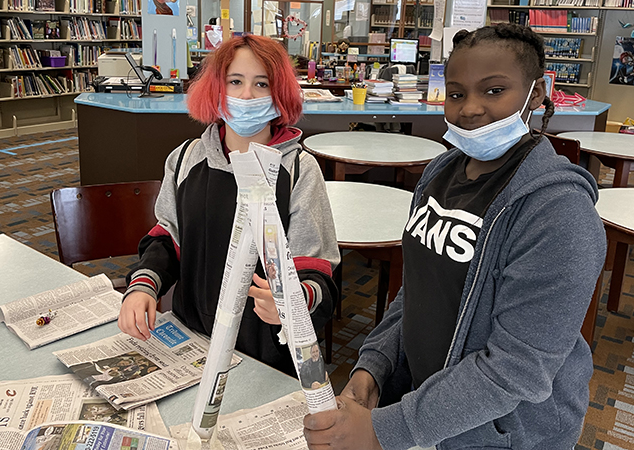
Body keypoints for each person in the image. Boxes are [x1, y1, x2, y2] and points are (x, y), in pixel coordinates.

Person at [303, 23, 606, 450]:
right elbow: (418, 291)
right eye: (458, 93)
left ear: (536, 94)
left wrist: (386, 430)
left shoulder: (558, 214)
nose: (470, 110)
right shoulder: (439, 173)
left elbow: (516, 369)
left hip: (502, 434)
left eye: (494, 91)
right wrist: (372, 369)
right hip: (430, 409)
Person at [118, 34, 340, 377]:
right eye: (235, 81)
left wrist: (293, 303)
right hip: (191, 340)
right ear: (216, 89)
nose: (246, 95)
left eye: (261, 84)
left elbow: (317, 272)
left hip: (265, 354)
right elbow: (168, 239)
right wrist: (144, 284)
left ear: (279, 93)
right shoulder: (185, 159)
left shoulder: (299, 171)